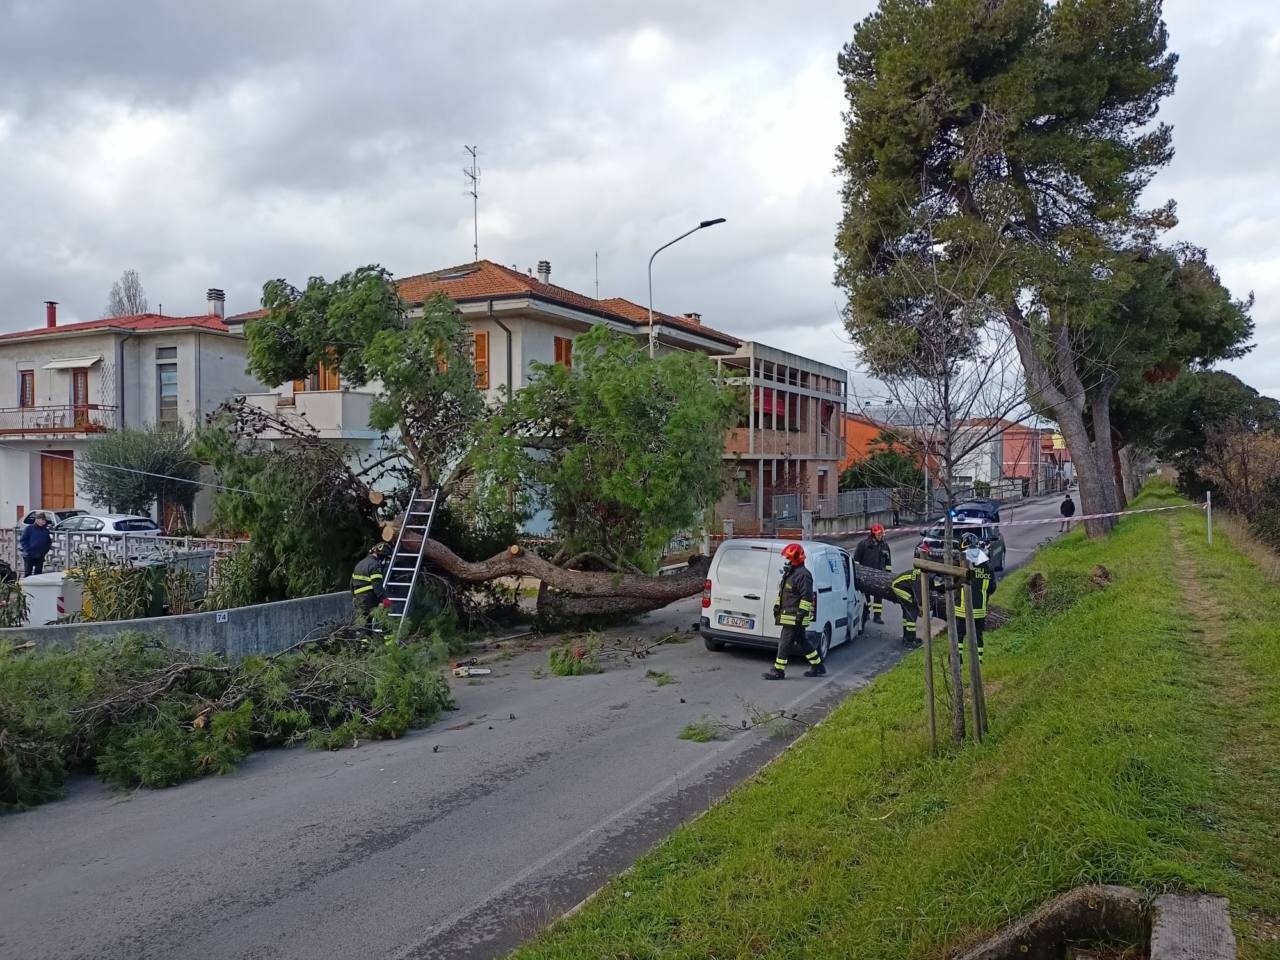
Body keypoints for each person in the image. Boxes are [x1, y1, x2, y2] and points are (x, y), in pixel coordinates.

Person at [764, 543, 825, 681]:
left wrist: (800, 614)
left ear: (796, 559)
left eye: (789, 559)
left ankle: (778, 670)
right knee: (803, 641)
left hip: (794, 616)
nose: (787, 561)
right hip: (789, 614)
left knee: (785, 643)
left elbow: (807, 597)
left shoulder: (803, 575)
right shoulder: (791, 573)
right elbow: (785, 594)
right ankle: (818, 666)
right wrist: (777, 607)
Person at [955, 532, 996, 666]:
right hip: (979, 608)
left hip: (962, 608)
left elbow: (954, 582)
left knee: (960, 634)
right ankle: (979, 660)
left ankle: (958, 659)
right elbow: (992, 587)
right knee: (978, 634)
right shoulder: (987, 564)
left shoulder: (960, 562)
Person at [853, 523, 891, 624]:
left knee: (879, 596)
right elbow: (856, 561)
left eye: (881, 534)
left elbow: (888, 563)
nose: (880, 536)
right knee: (866, 596)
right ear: (873, 534)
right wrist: (858, 574)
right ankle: (867, 613)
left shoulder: (885, 546)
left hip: (880, 576)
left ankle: (877, 616)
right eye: (878, 534)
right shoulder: (863, 545)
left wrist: (888, 575)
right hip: (866, 576)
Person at [351, 543, 389, 620]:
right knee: (383, 618)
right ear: (381, 555)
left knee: (365, 624)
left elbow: (351, 582)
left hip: (359, 598)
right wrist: (384, 599)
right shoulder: (375, 565)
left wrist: (354, 596)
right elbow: (377, 586)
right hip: (370, 598)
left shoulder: (360, 563)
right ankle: (386, 631)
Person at [891, 566, 921, 646]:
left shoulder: (920, 574)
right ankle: (911, 640)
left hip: (903, 586)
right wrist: (920, 606)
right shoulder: (920, 578)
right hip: (899, 587)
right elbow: (917, 595)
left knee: (906, 612)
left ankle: (906, 637)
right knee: (912, 609)